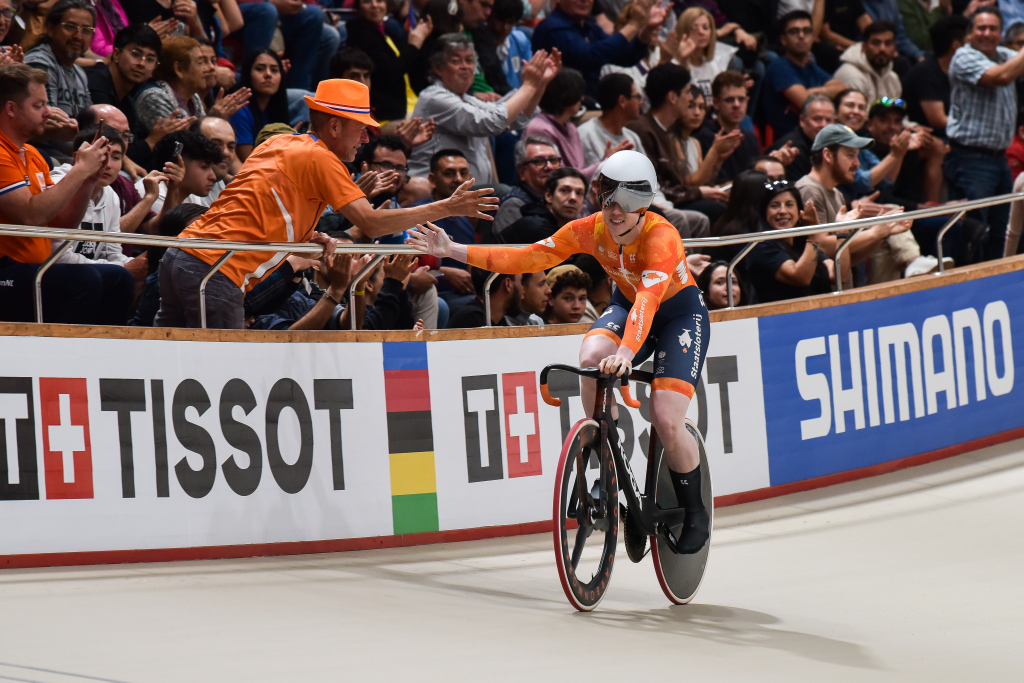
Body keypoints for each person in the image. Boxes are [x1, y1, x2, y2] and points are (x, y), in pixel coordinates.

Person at [410, 149, 713, 555]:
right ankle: (607, 459)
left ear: (644, 205)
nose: (615, 212)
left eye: (625, 203)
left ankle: (696, 512)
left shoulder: (662, 237)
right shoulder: (591, 228)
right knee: (590, 359)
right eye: (607, 199)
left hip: (678, 316)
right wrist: (453, 249)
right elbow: (527, 256)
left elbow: (648, 300)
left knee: (666, 417)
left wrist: (626, 354)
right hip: (627, 307)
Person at [156, 79, 498, 329]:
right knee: (221, 374)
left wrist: (305, 235)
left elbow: (256, 206)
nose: (365, 138)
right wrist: (447, 207)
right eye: (360, 128)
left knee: (163, 363)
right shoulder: (321, 158)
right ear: (334, 125)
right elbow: (371, 223)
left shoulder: (279, 143)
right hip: (215, 268)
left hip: (180, 255)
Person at [0, 64, 133, 324]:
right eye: (38, 105)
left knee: (120, 279)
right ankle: (67, 349)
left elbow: (63, 225)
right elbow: (31, 216)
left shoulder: (33, 155)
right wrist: (79, 170)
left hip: (35, 270)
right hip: (6, 270)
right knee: (83, 280)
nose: (48, 112)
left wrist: (88, 179)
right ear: (11, 109)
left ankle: (103, 348)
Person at [407, 33, 561, 186]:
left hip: (469, 191)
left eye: (469, 61)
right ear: (438, 68)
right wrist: (529, 86)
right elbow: (491, 121)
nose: (465, 67)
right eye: (456, 61)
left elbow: (515, 118)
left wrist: (540, 83)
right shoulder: (435, 98)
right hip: (435, 191)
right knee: (509, 193)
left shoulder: (467, 99)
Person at [945, 6, 1024, 261]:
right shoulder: (963, 57)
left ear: (1001, 33)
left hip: (999, 158)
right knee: (976, 234)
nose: (987, 33)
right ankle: (969, 283)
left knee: (1003, 232)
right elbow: (1002, 76)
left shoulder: (1004, 54)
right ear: (969, 33)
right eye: (981, 28)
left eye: (993, 28)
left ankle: (999, 281)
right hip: (971, 159)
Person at [48, 123, 162, 265]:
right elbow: (57, 257)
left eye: (116, 158)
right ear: (78, 157)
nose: (108, 164)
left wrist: (139, 264)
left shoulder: (110, 195)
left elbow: (112, 254)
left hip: (94, 271)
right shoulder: (57, 185)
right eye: (101, 155)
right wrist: (123, 267)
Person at [626, 64, 727, 220]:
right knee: (716, 211)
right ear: (673, 97)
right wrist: (699, 192)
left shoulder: (668, 131)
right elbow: (657, 186)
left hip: (673, 200)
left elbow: (675, 184)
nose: (690, 98)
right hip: (656, 204)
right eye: (687, 92)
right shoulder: (642, 130)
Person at [531, 0, 665, 96]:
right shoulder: (552, 27)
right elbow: (589, 57)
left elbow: (625, 57)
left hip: (587, 104)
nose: (584, 0)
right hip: (559, 108)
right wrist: (634, 25)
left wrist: (647, 30)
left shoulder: (590, 28)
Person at [85, 23, 168, 172]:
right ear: (116, 54)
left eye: (150, 59)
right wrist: (152, 140)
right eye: (136, 54)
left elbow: (127, 150)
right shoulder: (96, 86)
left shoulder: (128, 101)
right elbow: (110, 148)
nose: (142, 64)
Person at [745, 180, 836, 303]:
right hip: (780, 314)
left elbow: (838, 274)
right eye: (775, 206)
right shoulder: (759, 245)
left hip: (820, 311)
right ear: (764, 212)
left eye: (789, 204)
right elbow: (802, 277)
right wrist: (813, 235)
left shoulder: (803, 241)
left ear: (799, 212)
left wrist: (843, 233)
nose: (783, 211)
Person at [135, 36, 248, 133]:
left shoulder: (194, 97)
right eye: (200, 62)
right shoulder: (154, 97)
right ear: (179, 69)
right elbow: (183, 146)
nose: (206, 69)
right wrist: (213, 117)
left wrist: (216, 117)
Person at [524, 68, 623, 180]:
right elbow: (559, 178)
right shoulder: (540, 129)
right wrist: (605, 163)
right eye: (578, 93)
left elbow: (578, 174)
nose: (582, 98)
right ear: (565, 94)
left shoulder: (570, 127)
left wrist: (605, 160)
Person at [345, 0, 434, 122]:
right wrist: (414, 45)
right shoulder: (360, 34)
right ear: (359, 8)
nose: (374, 5)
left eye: (379, 1)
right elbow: (391, 72)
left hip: (408, 104)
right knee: (435, 125)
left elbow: (413, 64)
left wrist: (421, 40)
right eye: (367, 1)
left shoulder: (386, 32)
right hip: (383, 115)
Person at [763, 10, 846, 137]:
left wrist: (812, 92)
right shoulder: (779, 67)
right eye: (794, 31)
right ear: (783, 39)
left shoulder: (810, 66)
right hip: (791, 139)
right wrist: (821, 95)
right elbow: (809, 105)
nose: (801, 36)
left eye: (806, 31)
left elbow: (843, 90)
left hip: (816, 135)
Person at [233, 0, 339, 91]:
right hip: (239, 11)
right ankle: (251, 89)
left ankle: (300, 90)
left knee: (316, 15)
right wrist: (272, 2)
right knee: (266, 11)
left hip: (274, 11)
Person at [902, 15, 968, 139]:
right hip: (924, 137)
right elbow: (938, 120)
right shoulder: (926, 72)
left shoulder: (959, 72)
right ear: (956, 46)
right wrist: (976, 124)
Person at [694, 71, 760, 183]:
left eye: (741, 99)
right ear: (716, 103)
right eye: (730, 100)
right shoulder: (704, 138)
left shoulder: (750, 138)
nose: (736, 105)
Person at [493, 135, 562, 236]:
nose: (549, 167)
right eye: (538, 162)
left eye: (553, 160)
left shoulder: (561, 199)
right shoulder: (513, 206)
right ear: (522, 172)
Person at [499, 167, 587, 243]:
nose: (573, 198)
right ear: (549, 196)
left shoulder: (570, 229)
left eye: (579, 193)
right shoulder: (537, 226)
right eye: (564, 191)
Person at [230, 50, 289, 162]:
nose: (268, 74)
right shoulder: (240, 111)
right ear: (248, 74)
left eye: (274, 70)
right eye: (260, 69)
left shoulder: (275, 109)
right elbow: (249, 162)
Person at [578, 73, 645, 168]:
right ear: (622, 101)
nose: (641, 102)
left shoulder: (633, 137)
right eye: (637, 97)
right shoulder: (585, 135)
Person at [673, 6, 739, 98]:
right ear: (684, 31)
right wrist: (683, 61)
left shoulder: (714, 65)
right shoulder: (673, 65)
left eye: (705, 28)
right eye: (695, 28)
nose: (701, 32)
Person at [769, 94, 836, 182]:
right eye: (817, 119)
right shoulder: (790, 151)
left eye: (828, 120)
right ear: (802, 120)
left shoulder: (833, 145)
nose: (824, 125)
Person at [833, 21, 902, 105]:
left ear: (895, 48)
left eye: (888, 43)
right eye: (876, 43)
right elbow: (856, 113)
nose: (882, 49)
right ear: (864, 47)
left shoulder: (893, 79)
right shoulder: (852, 76)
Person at [447, 267, 524, 328]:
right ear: (508, 284)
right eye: (521, 282)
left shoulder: (500, 322)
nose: (523, 292)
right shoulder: (470, 321)